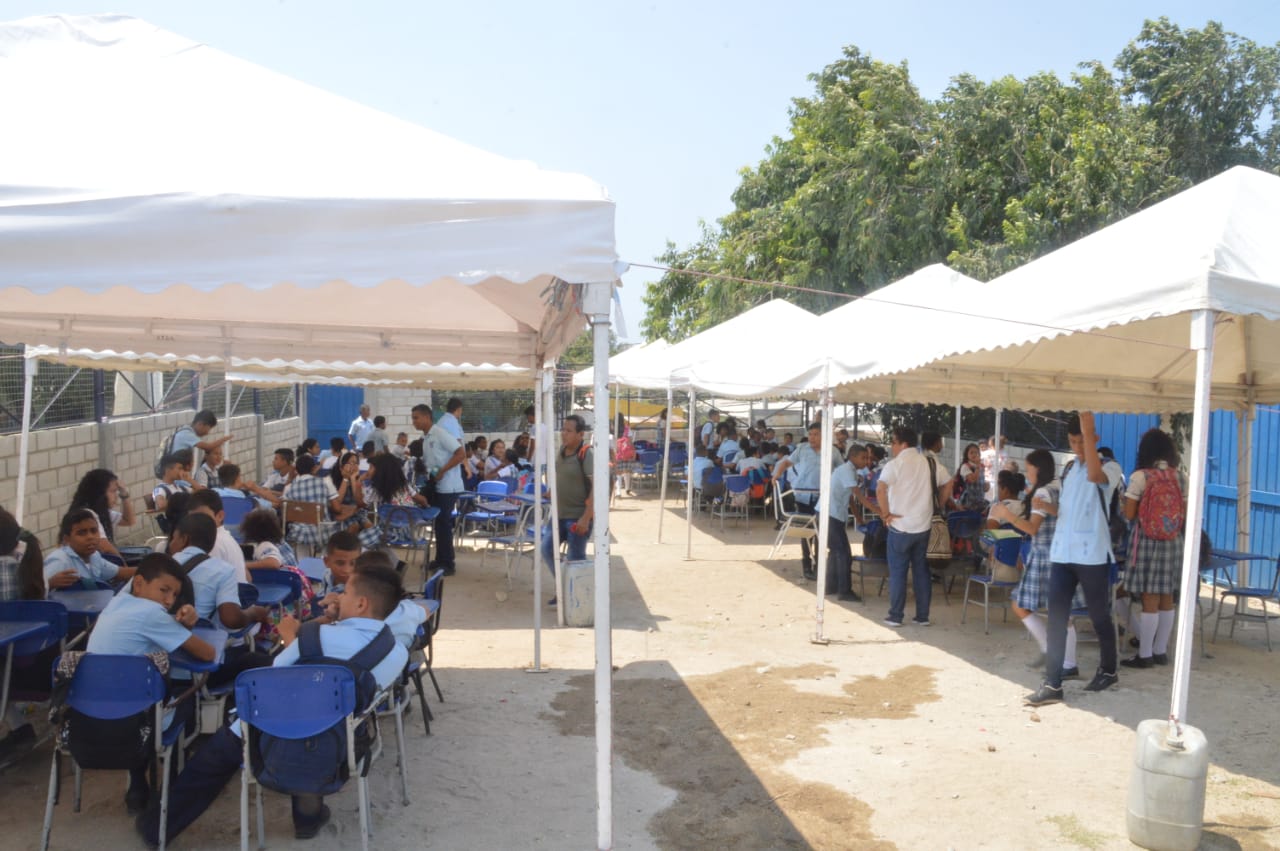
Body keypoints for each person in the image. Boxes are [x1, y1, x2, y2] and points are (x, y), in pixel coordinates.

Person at [138, 565, 409, 845]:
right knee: (315, 723)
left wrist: (292, 637)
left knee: (217, 756)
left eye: (346, 592)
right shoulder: (396, 651)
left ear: (362, 603)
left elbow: (273, 676)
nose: (339, 597)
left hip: (275, 735)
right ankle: (307, 819)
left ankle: (156, 828)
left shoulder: (314, 638)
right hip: (341, 745)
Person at [87, 552, 215, 814]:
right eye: (163, 590)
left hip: (88, 716)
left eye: (174, 595)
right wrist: (190, 623)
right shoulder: (152, 613)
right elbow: (207, 654)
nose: (168, 601)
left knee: (141, 695)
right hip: (133, 724)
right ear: (139, 584)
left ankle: (137, 786)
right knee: (184, 700)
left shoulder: (117, 601)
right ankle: (172, 787)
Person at [1025, 412, 1122, 706]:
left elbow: (1096, 477)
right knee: (1056, 617)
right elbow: (1067, 510)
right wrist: (1048, 507)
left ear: (1094, 440)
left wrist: (1088, 428)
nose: (1078, 447)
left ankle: (1108, 668)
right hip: (1063, 552)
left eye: (1083, 441)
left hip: (1092, 553)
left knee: (1098, 615)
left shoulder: (1110, 467)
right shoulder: (1068, 470)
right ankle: (1053, 683)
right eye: (1073, 441)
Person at [990, 450, 1081, 678]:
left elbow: (1032, 528)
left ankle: (1060, 658)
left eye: (1029, 468)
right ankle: (1062, 659)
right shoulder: (1060, 487)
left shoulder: (1043, 491)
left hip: (1044, 556)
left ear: (1038, 468)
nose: (1027, 473)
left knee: (1022, 604)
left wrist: (1007, 515)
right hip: (1063, 553)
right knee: (1059, 611)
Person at [1120, 428, 1186, 669]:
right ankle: (1160, 651)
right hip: (1173, 542)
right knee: (1167, 596)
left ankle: (1145, 654)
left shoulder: (1141, 477)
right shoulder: (1180, 477)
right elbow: (1184, 513)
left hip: (1147, 540)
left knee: (1149, 597)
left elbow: (1129, 514)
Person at [875, 426, 950, 628]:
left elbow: (880, 490)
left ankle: (895, 616)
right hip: (924, 527)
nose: (892, 446)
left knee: (898, 572)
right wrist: (939, 504)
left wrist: (885, 514)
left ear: (902, 443)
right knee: (922, 572)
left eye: (893, 442)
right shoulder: (929, 462)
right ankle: (922, 616)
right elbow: (948, 483)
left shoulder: (894, 465)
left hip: (900, 527)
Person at [541, 415, 595, 604]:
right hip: (559, 515)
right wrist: (552, 491)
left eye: (569, 430)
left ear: (581, 434)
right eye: (563, 429)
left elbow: (597, 487)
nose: (564, 434)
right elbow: (559, 476)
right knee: (546, 549)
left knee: (575, 559)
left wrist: (586, 518)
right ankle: (564, 588)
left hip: (578, 518)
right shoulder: (562, 451)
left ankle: (576, 602)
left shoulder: (587, 454)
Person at [412, 403, 467, 576]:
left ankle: (448, 563)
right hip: (437, 485)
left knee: (443, 523)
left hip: (449, 486)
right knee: (439, 524)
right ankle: (441, 559)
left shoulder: (440, 433)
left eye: (416, 418)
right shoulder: (427, 438)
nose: (414, 421)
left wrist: (443, 470)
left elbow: (460, 453)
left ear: (427, 417)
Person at [43, 508, 134, 593]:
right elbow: (34, 594)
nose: (90, 537)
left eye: (94, 531)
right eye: (81, 533)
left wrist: (147, 568)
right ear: (67, 539)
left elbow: (121, 573)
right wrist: (50, 584)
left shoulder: (94, 556)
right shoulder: (60, 561)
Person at [69, 468, 136, 562]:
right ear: (99, 493)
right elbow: (105, 547)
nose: (116, 496)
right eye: (112, 491)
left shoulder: (100, 511)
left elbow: (129, 520)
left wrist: (124, 494)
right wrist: (124, 566)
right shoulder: (87, 514)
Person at [186, 489, 249, 583]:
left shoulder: (213, 543)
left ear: (220, 516)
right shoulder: (226, 537)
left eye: (203, 517)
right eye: (192, 518)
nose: (197, 522)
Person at [827, 445, 864, 602]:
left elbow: (850, 498)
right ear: (853, 457)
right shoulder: (846, 470)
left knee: (836, 552)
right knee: (843, 553)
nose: (867, 461)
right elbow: (859, 496)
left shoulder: (851, 471)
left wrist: (858, 517)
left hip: (834, 514)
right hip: (830, 514)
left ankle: (830, 586)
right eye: (863, 457)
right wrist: (881, 511)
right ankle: (844, 591)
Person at [159, 409, 231, 471]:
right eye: (208, 429)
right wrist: (224, 439)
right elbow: (208, 447)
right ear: (200, 424)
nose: (207, 433)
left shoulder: (185, 430)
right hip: (176, 472)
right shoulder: (187, 434)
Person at [955, 443, 988, 512]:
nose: (974, 454)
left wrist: (986, 486)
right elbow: (973, 480)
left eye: (976, 452)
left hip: (979, 502)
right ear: (967, 455)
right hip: (968, 503)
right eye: (971, 453)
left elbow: (982, 485)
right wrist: (978, 466)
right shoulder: (965, 466)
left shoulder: (981, 466)